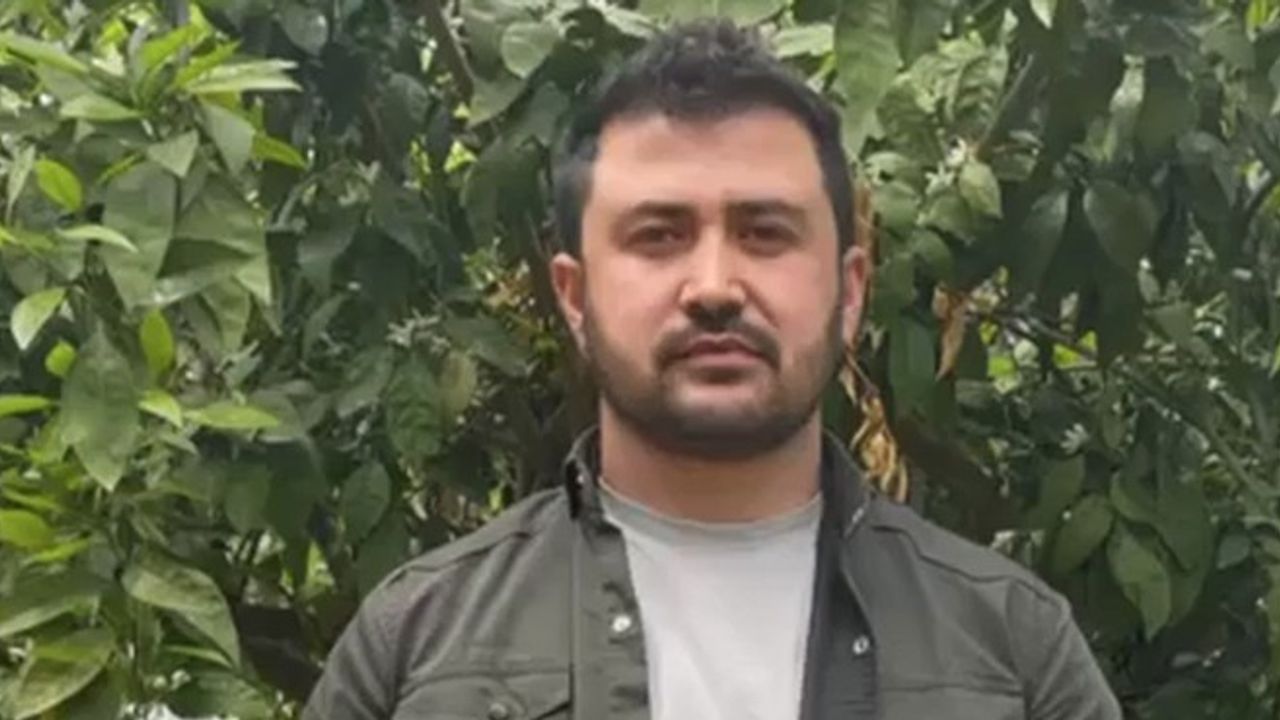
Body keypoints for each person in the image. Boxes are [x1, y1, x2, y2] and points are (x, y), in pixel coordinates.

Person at [302, 20, 1122, 720]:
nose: (715, 287)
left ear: (849, 291)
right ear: (575, 297)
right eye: (658, 236)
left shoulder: (1012, 655)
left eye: (765, 233)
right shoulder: (417, 652)